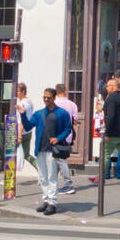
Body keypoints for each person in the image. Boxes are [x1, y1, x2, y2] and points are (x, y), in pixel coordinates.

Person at [20, 87, 74, 215]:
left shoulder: (62, 113)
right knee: (42, 177)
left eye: (48, 98)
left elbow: (68, 128)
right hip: (40, 149)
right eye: (44, 97)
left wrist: (58, 138)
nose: (45, 99)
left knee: (52, 177)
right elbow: (28, 126)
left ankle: (52, 202)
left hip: (52, 150)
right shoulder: (39, 114)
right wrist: (22, 114)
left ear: (54, 98)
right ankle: (46, 200)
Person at [15, 82, 36, 169]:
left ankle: (9, 178)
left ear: (23, 92)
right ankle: (40, 169)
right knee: (26, 155)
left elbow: (22, 121)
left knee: (12, 154)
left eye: (18, 91)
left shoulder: (21, 104)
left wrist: (19, 135)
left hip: (22, 132)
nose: (17, 93)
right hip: (28, 131)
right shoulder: (29, 102)